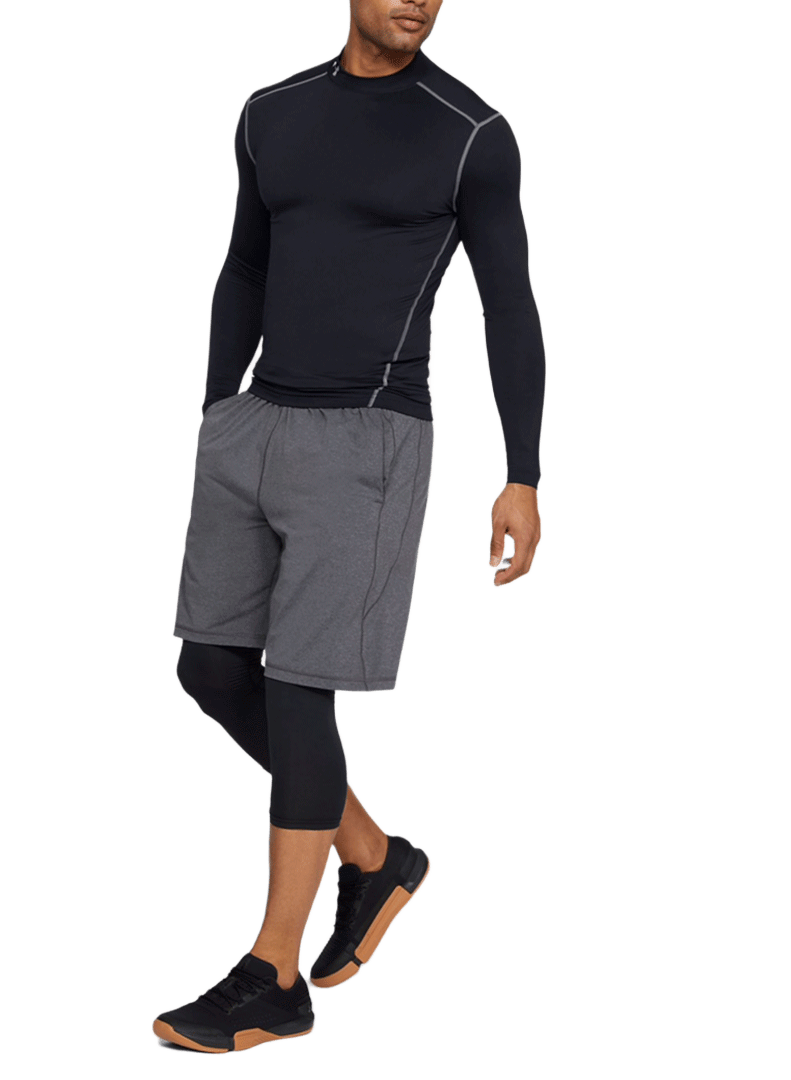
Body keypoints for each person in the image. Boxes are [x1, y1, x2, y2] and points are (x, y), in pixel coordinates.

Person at [151, 0, 546, 1055]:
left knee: (299, 689)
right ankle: (375, 859)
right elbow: (244, 265)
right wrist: (217, 410)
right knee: (208, 668)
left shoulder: (470, 133)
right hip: (254, 425)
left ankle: (273, 976)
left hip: (369, 439)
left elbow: (509, 304)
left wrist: (522, 473)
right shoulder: (271, 113)